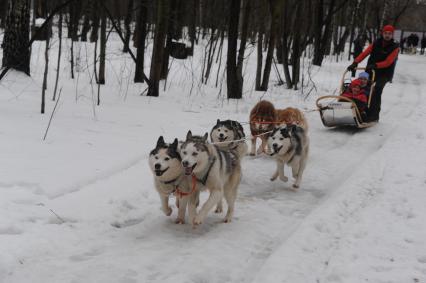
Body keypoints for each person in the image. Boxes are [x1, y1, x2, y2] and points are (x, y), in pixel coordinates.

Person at [347, 25, 399, 122]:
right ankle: (362, 110)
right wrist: (355, 63)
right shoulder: (376, 43)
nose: (387, 35)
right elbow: (364, 53)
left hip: (385, 73)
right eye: (385, 33)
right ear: (382, 33)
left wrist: (375, 65)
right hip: (371, 70)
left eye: (389, 34)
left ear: (392, 35)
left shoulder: (395, 47)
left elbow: (388, 62)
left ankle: (374, 115)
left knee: (376, 90)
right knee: (364, 88)